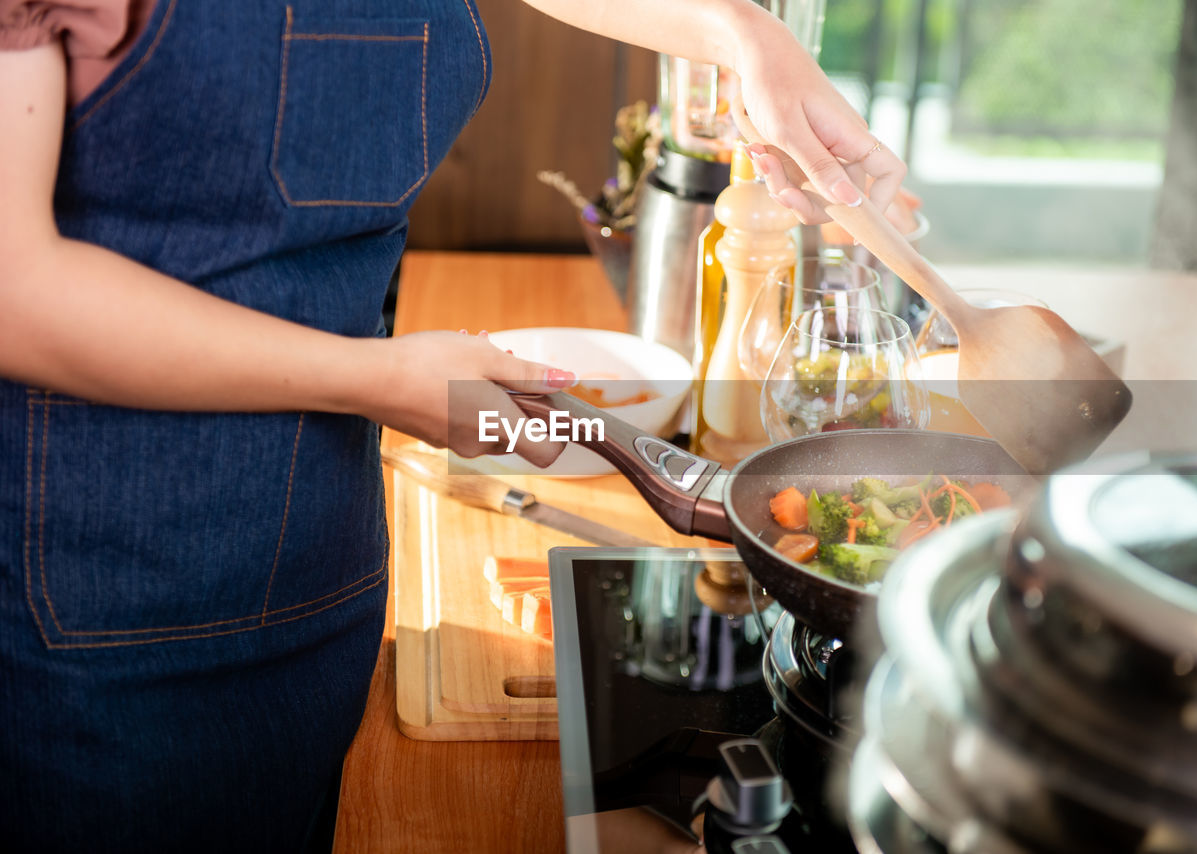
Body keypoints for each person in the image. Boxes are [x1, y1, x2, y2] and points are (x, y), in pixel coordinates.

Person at [0, 0, 905, 851]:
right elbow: (18, 294)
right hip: (96, 592)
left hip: (319, 561)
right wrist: (378, 378)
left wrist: (741, 31)